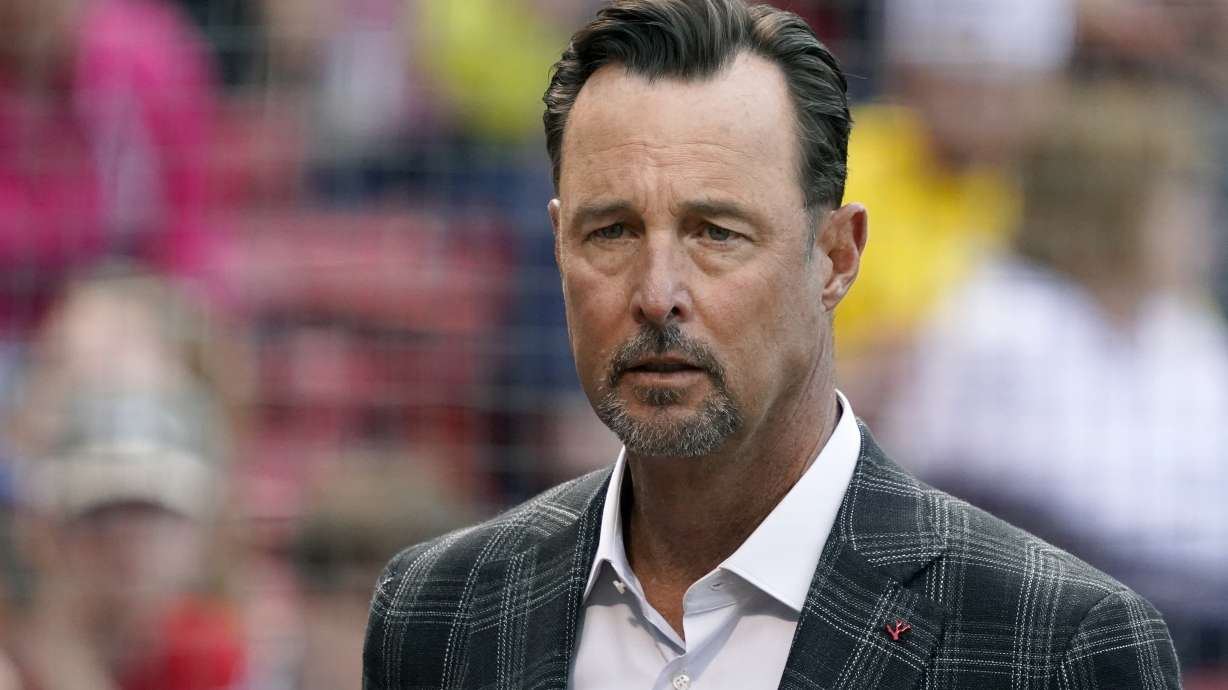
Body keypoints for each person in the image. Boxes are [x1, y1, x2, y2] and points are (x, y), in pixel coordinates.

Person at [363, 1, 1180, 688]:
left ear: (836, 257)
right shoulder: (441, 610)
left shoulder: (1058, 644)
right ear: (556, 247)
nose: (657, 293)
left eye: (716, 232)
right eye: (610, 232)